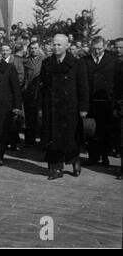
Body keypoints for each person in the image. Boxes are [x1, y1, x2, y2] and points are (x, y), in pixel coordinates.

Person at [39, 34, 89, 180]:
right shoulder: (47, 63)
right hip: (52, 108)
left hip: (70, 108)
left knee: (70, 138)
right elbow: (42, 87)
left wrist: (84, 108)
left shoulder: (77, 63)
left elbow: (83, 87)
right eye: (54, 44)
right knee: (53, 138)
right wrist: (41, 107)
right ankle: (56, 169)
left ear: (67, 46)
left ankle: (74, 161)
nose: (56, 47)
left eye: (59, 45)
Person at [82, 36, 120, 166]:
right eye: (94, 48)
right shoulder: (84, 61)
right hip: (90, 102)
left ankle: (104, 157)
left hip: (106, 102)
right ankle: (93, 157)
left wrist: (115, 103)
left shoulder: (113, 61)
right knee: (91, 131)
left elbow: (117, 83)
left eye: (99, 48)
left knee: (105, 131)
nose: (97, 51)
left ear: (104, 47)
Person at [23, 41, 45, 146]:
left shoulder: (45, 60)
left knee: (41, 117)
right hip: (29, 92)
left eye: (35, 48)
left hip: (40, 91)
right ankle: (29, 140)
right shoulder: (26, 61)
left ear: (39, 48)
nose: (33, 50)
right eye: (31, 48)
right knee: (29, 117)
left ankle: (42, 140)